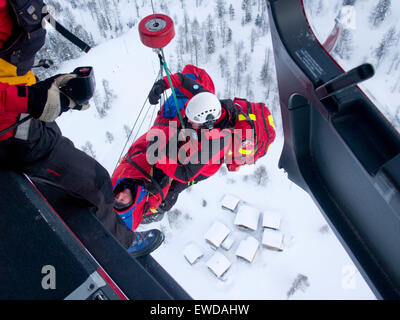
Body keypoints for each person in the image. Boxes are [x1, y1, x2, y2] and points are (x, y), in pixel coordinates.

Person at [0, 0, 163, 257]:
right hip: (12, 129)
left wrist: (45, 89)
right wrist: (30, 99)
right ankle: (121, 246)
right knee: (94, 181)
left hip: (23, 118)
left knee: (84, 180)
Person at [111, 64, 276, 230]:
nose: (189, 121)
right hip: (190, 146)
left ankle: (158, 211)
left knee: (172, 191)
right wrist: (162, 85)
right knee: (173, 158)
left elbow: (186, 173)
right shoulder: (204, 100)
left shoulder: (215, 143)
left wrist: (160, 157)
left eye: (193, 120)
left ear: (208, 124)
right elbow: (183, 81)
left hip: (200, 168)